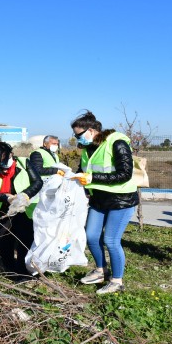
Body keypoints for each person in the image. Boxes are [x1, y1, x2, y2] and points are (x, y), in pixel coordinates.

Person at [70, 110, 139, 295]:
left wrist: (91, 178)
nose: (77, 138)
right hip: (99, 200)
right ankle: (101, 270)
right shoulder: (88, 149)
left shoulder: (117, 142)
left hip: (121, 200)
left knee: (111, 240)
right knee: (91, 236)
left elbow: (124, 173)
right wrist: (72, 176)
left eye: (79, 134)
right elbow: (83, 169)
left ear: (91, 130)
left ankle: (117, 281)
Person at [0, 142, 42, 276]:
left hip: (24, 209)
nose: (2, 164)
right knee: (5, 242)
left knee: (24, 240)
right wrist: (6, 198)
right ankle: (9, 270)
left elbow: (38, 182)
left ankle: (23, 271)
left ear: (11, 154)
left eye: (4, 159)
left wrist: (25, 194)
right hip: (2, 211)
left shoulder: (24, 163)